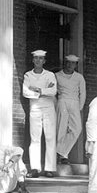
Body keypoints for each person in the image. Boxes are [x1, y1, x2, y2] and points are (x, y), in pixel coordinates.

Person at [22, 49, 58, 177]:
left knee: (50, 136)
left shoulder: (50, 75)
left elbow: (53, 91)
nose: (38, 61)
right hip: (35, 107)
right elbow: (25, 92)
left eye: (41, 58)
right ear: (33, 60)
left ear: (44, 61)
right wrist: (44, 91)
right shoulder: (28, 75)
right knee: (35, 138)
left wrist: (37, 89)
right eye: (36, 58)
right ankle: (35, 168)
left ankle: (50, 168)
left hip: (48, 107)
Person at [55, 55, 86, 165]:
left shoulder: (79, 77)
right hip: (62, 100)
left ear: (76, 65)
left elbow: (82, 93)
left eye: (73, 63)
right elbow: (53, 92)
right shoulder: (57, 75)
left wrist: (80, 107)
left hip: (75, 102)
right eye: (68, 62)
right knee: (61, 128)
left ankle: (60, 151)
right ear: (65, 63)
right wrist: (56, 105)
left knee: (77, 128)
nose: (70, 65)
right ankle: (63, 156)